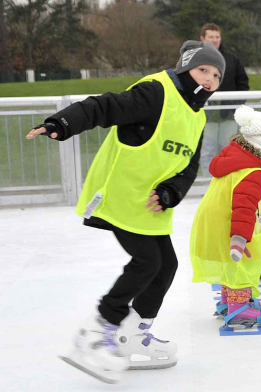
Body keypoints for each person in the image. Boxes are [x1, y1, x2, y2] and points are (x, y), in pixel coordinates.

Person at [25, 40, 225, 384]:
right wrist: (63, 123)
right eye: (202, 70)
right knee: (147, 262)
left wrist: (169, 192)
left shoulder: (197, 116)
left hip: (149, 204)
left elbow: (189, 166)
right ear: (185, 68)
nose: (208, 79)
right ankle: (97, 332)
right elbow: (105, 106)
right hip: (120, 194)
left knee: (167, 266)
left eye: (216, 75)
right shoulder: (156, 92)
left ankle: (131, 334)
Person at [190, 105, 261, 329]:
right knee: (241, 263)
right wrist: (240, 237)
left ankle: (228, 301)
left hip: (218, 219)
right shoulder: (256, 171)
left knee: (231, 263)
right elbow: (244, 204)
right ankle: (238, 309)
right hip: (233, 224)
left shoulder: (238, 159)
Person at [199, 22, 250, 176]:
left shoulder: (232, 60)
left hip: (228, 115)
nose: (214, 40)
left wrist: (235, 105)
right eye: (211, 37)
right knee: (207, 150)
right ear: (202, 39)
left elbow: (243, 84)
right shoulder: (196, 61)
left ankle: (224, 184)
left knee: (227, 150)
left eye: (217, 37)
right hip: (205, 116)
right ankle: (208, 184)